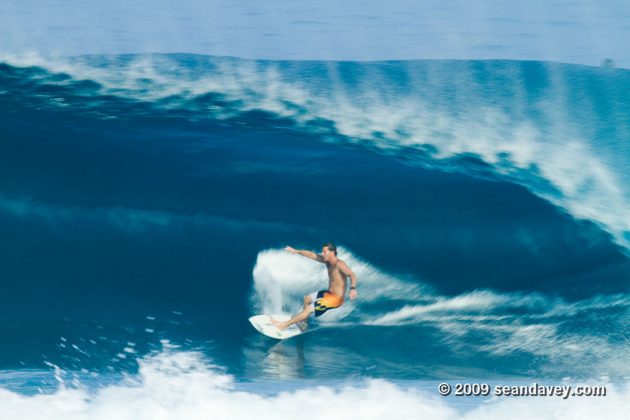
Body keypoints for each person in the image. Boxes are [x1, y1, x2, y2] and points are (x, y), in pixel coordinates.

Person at [270, 243, 357, 331]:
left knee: (308, 309)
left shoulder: (339, 264)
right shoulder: (327, 261)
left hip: (336, 299)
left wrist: (352, 289)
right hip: (328, 294)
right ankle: (303, 323)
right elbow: (312, 255)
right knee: (307, 299)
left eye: (324, 252)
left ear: (332, 252)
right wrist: (297, 251)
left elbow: (352, 275)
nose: (322, 254)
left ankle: (282, 325)